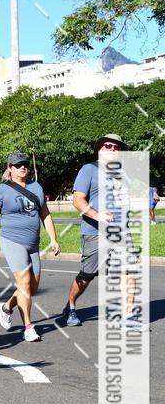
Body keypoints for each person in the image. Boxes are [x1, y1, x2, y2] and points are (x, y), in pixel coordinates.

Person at [0, 152, 60, 342]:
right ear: (10, 169)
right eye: (18, 165)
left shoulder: (36, 187)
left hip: (33, 243)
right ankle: (28, 327)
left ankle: (5, 308)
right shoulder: (1, 190)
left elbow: (45, 214)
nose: (22, 167)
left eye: (25, 164)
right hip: (12, 240)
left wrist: (53, 239)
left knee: (32, 288)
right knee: (23, 285)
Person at [62, 133, 126, 327]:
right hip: (94, 232)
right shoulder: (88, 169)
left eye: (116, 147)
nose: (112, 149)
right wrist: (99, 216)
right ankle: (71, 307)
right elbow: (78, 199)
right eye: (108, 146)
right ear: (100, 149)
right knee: (86, 276)